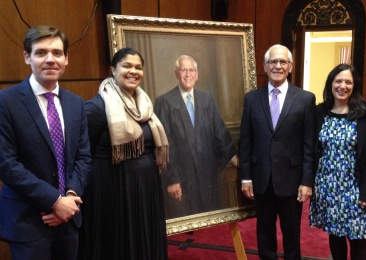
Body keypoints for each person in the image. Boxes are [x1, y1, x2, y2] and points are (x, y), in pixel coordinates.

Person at [0, 26, 91, 260]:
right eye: (41, 53)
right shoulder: (6, 102)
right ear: (26, 57)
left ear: (66, 58)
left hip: (69, 220)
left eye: (57, 53)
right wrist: (54, 201)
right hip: (28, 222)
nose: (50, 59)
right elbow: (6, 164)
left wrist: (69, 198)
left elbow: (83, 157)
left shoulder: (76, 103)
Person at [79, 48, 169, 259]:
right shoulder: (97, 107)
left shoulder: (145, 105)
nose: (133, 71)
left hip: (146, 188)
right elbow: (82, 153)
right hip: (111, 189)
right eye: (127, 66)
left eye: (138, 67)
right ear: (113, 70)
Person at [239, 44, 316, 259]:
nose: (278, 66)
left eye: (283, 62)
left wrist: (307, 181)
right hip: (261, 179)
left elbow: (309, 145)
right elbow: (246, 140)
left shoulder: (305, 99)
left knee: (291, 234)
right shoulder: (252, 99)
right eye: (273, 61)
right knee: (264, 233)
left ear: (290, 66)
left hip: (292, 181)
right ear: (264, 66)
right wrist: (245, 177)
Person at [309, 64, 366, 260]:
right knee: (335, 234)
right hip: (327, 186)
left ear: (355, 85)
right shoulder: (319, 112)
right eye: (338, 81)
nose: (343, 86)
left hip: (356, 186)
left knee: (358, 237)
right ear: (331, 84)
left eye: (348, 82)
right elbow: (312, 149)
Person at [154, 55, 237, 219]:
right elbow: (164, 144)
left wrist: (233, 156)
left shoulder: (207, 99)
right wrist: (172, 179)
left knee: (210, 221)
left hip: (207, 173)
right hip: (182, 175)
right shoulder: (164, 102)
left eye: (191, 70)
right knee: (187, 224)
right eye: (183, 70)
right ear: (176, 73)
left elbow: (219, 131)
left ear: (197, 74)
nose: (187, 74)